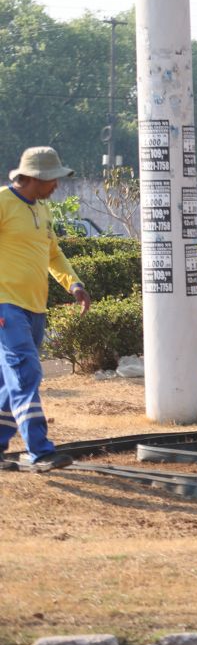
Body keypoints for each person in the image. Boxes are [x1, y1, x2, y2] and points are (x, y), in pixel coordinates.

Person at [1, 147, 92, 471]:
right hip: (5, 306)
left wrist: (74, 284)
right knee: (27, 373)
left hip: (35, 308)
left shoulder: (43, 209)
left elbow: (53, 254)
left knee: (9, 383)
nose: (56, 185)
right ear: (34, 177)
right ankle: (40, 451)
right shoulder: (2, 202)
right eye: (52, 179)